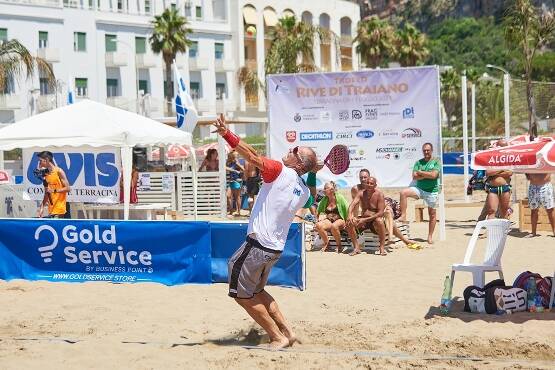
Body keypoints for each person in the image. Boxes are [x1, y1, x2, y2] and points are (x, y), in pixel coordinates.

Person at [212, 113, 316, 349]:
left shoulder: (280, 171)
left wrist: (226, 133)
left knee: (241, 294)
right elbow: (255, 155)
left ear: (298, 163)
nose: (290, 149)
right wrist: (312, 170)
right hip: (275, 248)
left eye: (295, 151)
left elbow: (251, 155)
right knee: (256, 290)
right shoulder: (305, 191)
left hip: (259, 245)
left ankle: (276, 337)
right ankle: (288, 332)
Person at [399, 143, 441, 244]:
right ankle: (403, 215)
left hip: (432, 191)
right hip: (419, 189)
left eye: (428, 150)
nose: (426, 152)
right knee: (403, 193)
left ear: (431, 150)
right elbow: (414, 176)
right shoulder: (418, 162)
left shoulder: (436, 161)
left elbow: (434, 175)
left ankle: (430, 236)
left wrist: (421, 173)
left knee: (432, 214)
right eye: (424, 150)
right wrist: (428, 174)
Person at [315, 181, 349, 253]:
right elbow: (318, 211)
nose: (324, 190)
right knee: (318, 225)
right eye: (324, 188)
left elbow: (347, 209)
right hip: (329, 220)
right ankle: (327, 244)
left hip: (340, 219)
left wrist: (348, 222)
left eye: (326, 188)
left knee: (334, 226)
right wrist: (317, 219)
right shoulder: (324, 199)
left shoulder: (340, 198)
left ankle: (339, 246)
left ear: (332, 189)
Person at [36, 151, 71, 218]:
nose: (39, 163)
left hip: (60, 210)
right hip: (51, 209)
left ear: (46, 160)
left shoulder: (59, 171)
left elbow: (68, 188)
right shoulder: (46, 174)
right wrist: (42, 207)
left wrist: (53, 190)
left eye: (40, 161)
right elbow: (47, 192)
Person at [484, 139, 512, 220]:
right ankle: (490, 231)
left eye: (504, 147)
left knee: (504, 210)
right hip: (493, 188)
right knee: (491, 210)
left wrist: (495, 172)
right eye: (501, 146)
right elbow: (488, 172)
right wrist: (502, 169)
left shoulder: (508, 158)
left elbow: (509, 173)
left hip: (505, 187)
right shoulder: (492, 158)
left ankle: (504, 231)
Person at [525, 173, 554, 237]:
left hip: (546, 185)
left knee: (550, 209)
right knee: (534, 210)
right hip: (533, 186)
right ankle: (533, 232)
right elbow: (527, 172)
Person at [226, 151, 244, 216]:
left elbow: (243, 169)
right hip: (231, 181)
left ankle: (239, 211)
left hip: (236, 181)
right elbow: (224, 167)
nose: (236, 156)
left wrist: (240, 174)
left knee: (237, 197)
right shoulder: (229, 163)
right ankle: (231, 210)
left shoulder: (236, 162)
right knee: (228, 196)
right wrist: (233, 170)